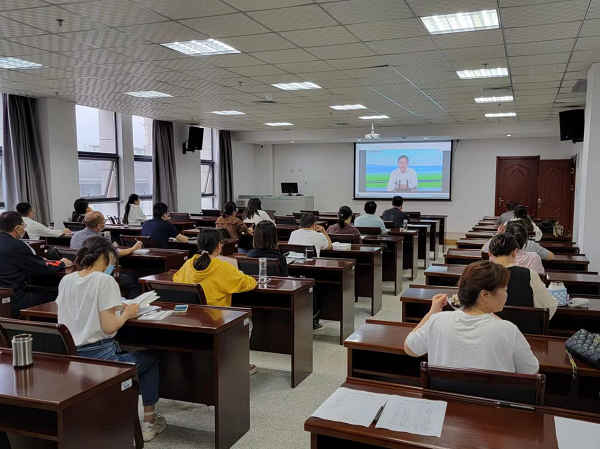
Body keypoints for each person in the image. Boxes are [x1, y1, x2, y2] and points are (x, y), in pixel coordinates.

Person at [56, 236, 166, 442]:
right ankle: (150, 422)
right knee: (150, 358)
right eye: (113, 260)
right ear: (105, 256)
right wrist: (127, 314)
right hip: (102, 360)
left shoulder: (67, 279)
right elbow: (109, 327)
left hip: (71, 359)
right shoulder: (104, 280)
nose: (113, 266)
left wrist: (115, 308)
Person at [404, 260, 539, 374]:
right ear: (485, 295)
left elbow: (410, 348)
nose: (506, 294)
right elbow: (530, 370)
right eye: (504, 290)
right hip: (490, 398)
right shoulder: (508, 330)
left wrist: (432, 312)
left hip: (443, 397)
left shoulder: (438, 320)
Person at [173, 228, 258, 373]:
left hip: (190, 318)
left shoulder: (188, 264)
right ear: (219, 245)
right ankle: (237, 363)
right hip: (216, 320)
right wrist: (240, 274)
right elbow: (249, 283)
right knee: (247, 322)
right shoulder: (223, 267)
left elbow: (176, 279)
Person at [0, 211, 72, 317]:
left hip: (5, 295)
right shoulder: (16, 245)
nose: (24, 229)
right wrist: (62, 263)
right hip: (13, 300)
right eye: (23, 226)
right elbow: (43, 269)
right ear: (17, 228)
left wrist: (35, 260)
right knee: (58, 294)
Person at [70, 211, 143, 297]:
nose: (104, 223)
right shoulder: (97, 239)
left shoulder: (75, 235)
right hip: (98, 274)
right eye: (104, 221)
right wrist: (133, 248)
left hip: (79, 271)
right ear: (99, 226)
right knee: (133, 280)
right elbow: (114, 254)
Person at [489, 233, 557, 318]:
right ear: (515, 252)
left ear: (489, 254)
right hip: (525, 326)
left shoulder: (481, 275)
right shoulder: (529, 274)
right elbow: (549, 307)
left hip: (490, 326)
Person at [481, 222, 555, 261]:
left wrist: (498, 235)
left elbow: (483, 250)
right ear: (525, 237)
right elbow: (551, 256)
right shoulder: (531, 246)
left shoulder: (500, 245)